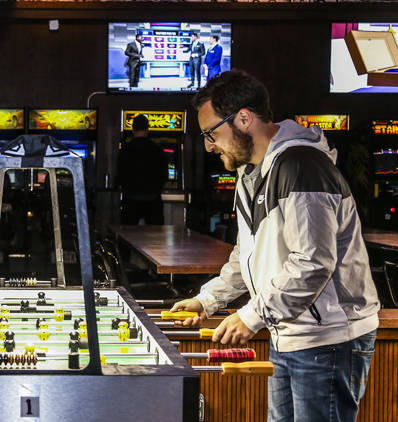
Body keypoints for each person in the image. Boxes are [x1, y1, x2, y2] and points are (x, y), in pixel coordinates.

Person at [172, 70, 380, 422]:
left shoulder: (302, 166)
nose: (208, 145)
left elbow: (313, 264)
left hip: (327, 338)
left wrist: (251, 317)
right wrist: (208, 299)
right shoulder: (251, 172)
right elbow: (247, 254)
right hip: (290, 331)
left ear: (243, 118)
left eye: (211, 133)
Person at [117, 114, 168, 225]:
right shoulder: (158, 150)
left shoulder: (125, 150)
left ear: (133, 130)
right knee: (155, 239)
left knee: (128, 237)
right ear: (147, 130)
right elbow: (165, 176)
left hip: (130, 200)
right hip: (153, 200)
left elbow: (119, 176)